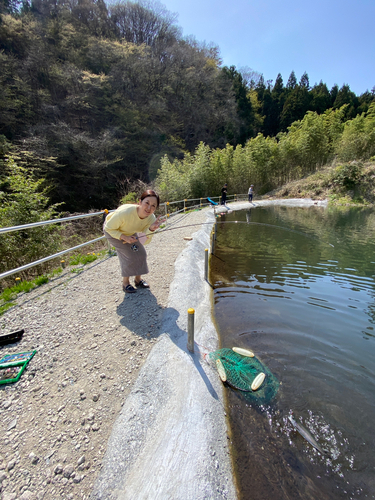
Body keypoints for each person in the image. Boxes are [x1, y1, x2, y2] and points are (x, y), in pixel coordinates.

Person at [103, 190, 162, 293]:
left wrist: (151, 229)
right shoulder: (125, 212)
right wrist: (124, 238)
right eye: (146, 203)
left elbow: (145, 241)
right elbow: (109, 228)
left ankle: (138, 280)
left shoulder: (151, 219)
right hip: (113, 231)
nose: (149, 208)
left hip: (129, 232)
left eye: (153, 206)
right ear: (140, 202)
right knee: (129, 255)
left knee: (141, 253)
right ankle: (125, 283)